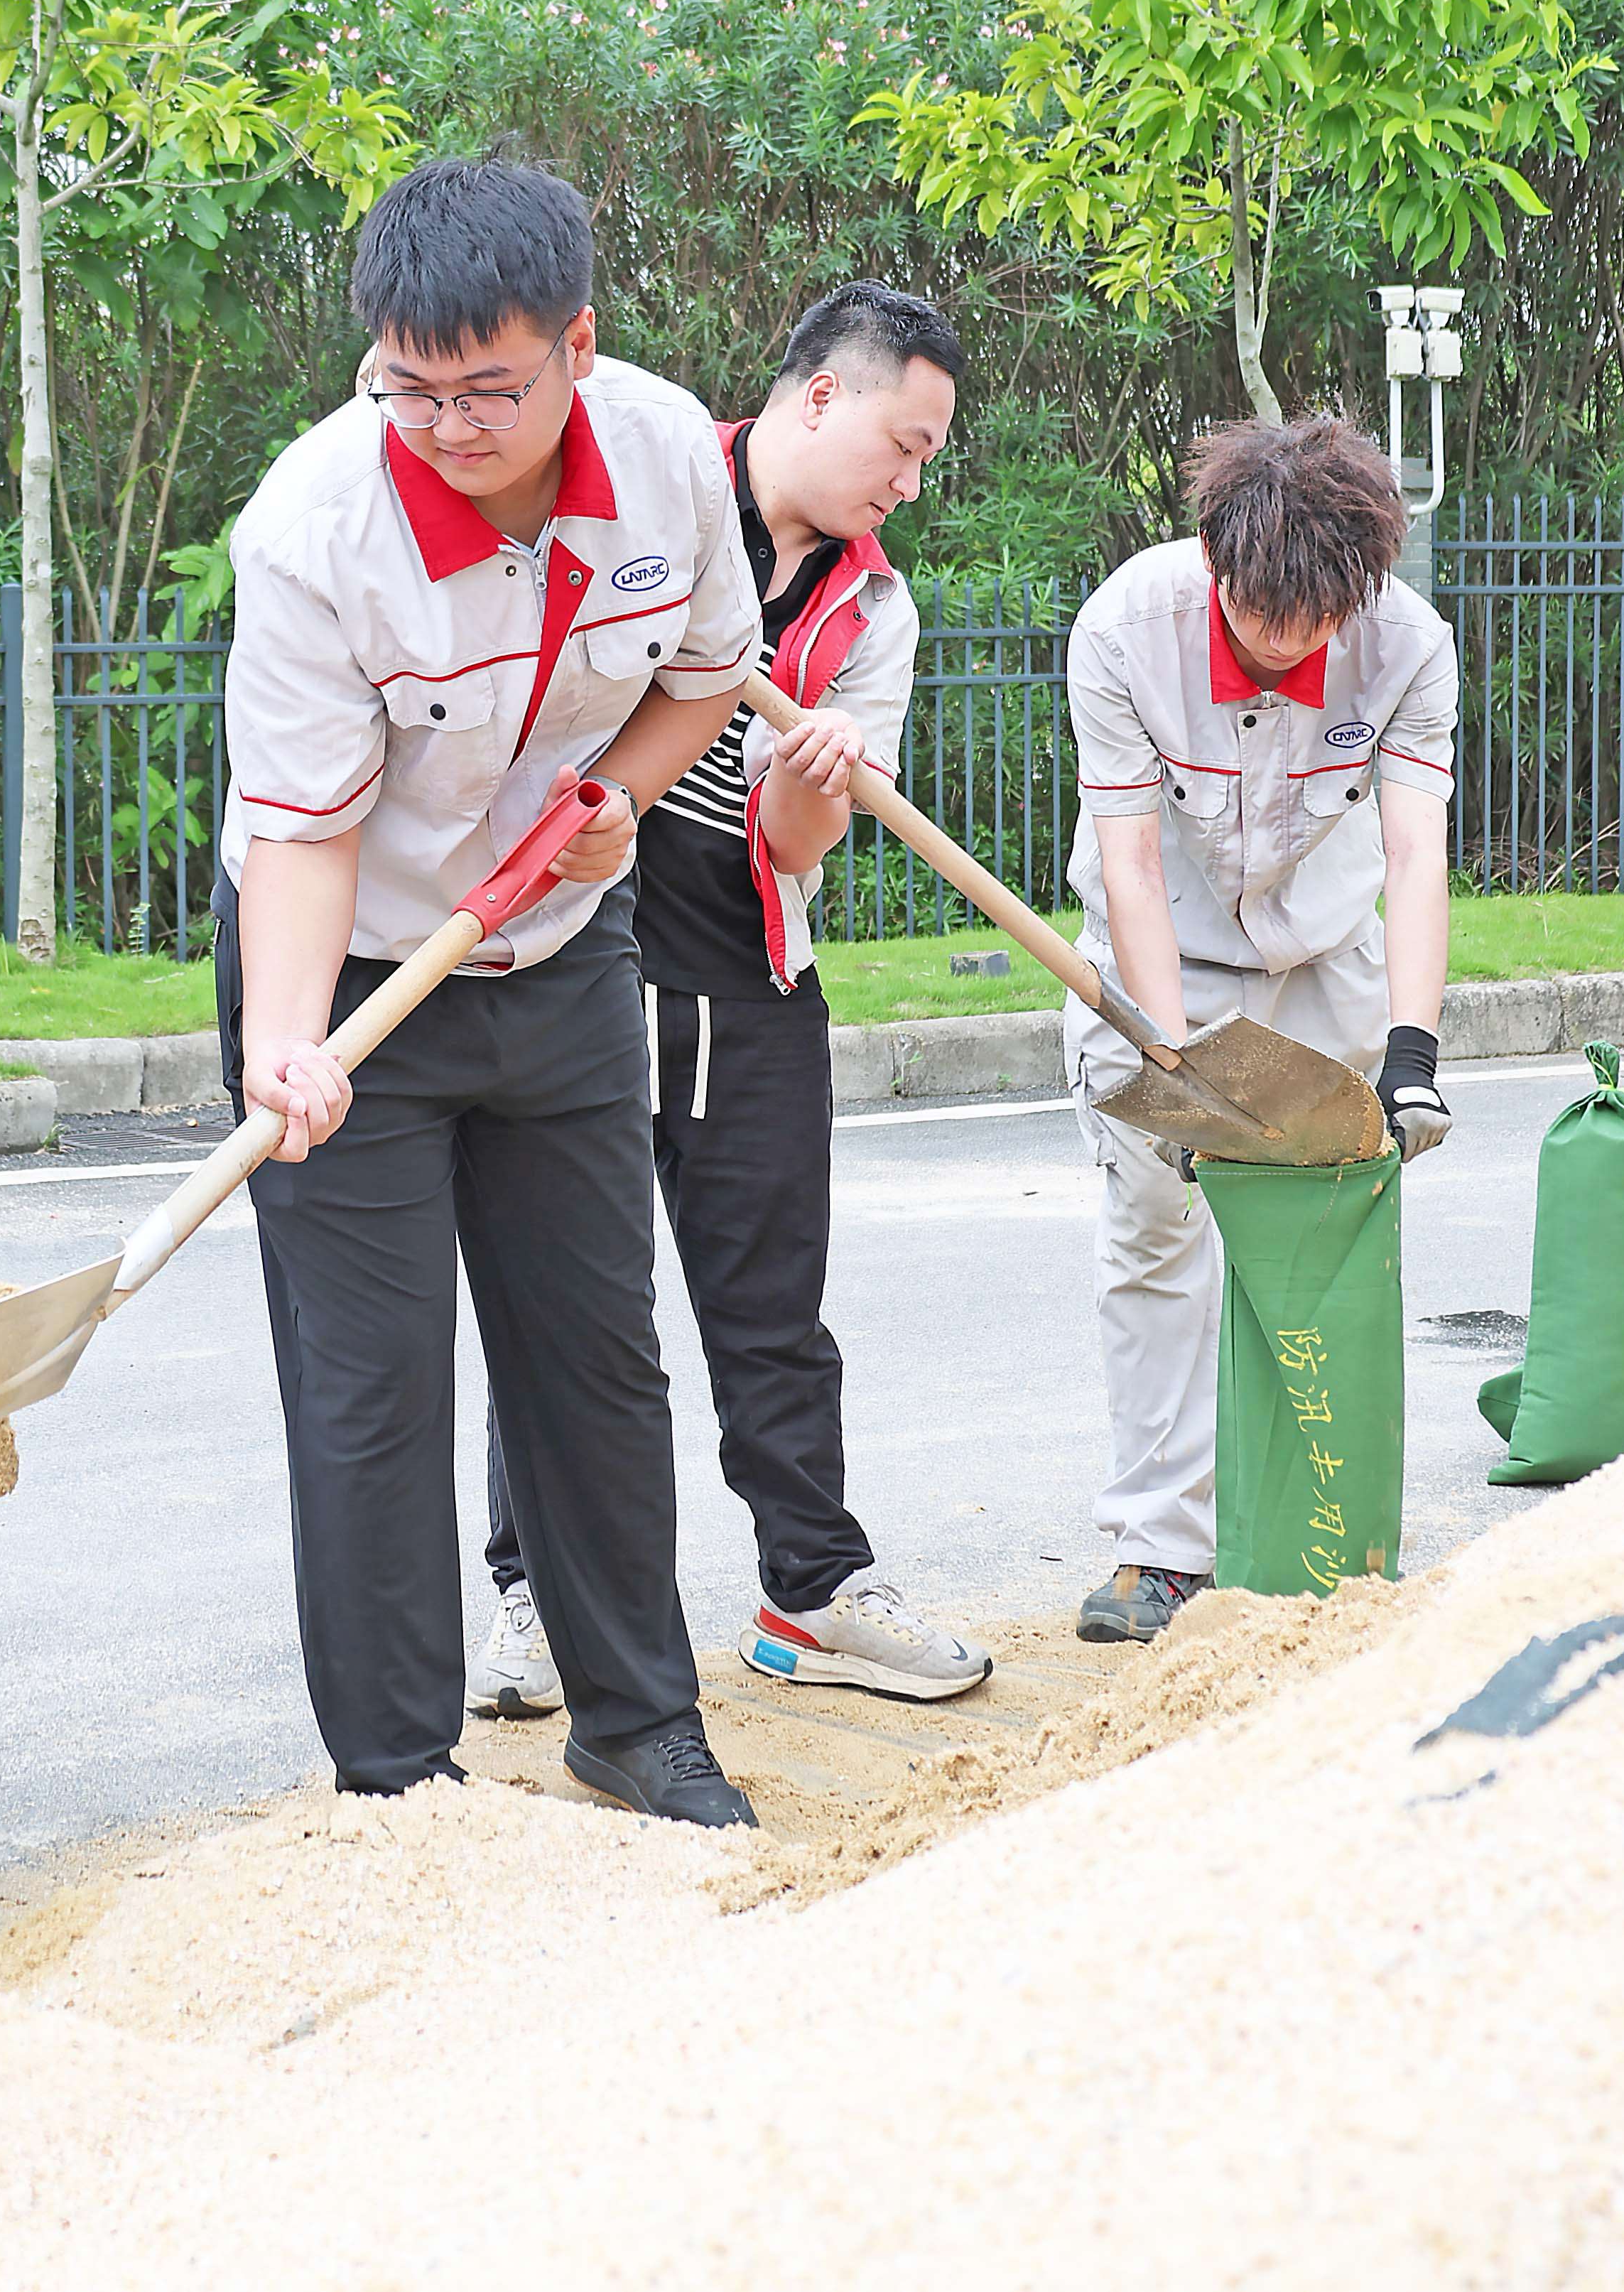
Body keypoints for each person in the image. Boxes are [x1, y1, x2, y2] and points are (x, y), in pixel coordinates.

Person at [219, 151, 768, 1827]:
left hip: (560, 949)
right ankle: (402, 1780)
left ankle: (638, 1718)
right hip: (354, 967)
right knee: (371, 1386)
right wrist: (292, 1050)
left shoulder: (670, 456)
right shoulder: (318, 526)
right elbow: (305, 836)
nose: (445, 424)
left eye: (487, 390)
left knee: (593, 1352)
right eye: (410, 387)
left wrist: (618, 802)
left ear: (579, 343)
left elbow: (708, 671)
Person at [468, 281, 995, 1717]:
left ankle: (812, 1585)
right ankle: (536, 1599)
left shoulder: (873, 604)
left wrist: (815, 786)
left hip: (747, 959)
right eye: (905, 438)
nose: (909, 477)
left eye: (930, 457)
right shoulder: (642, 486)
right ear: (818, 393)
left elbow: (797, 849)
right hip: (583, 933)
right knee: (569, 1296)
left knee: (770, 1300)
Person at [1060, 415, 1456, 1645]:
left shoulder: (1409, 646)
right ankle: (1159, 1551)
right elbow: (1129, 865)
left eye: (1313, 621)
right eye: (1256, 614)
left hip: (1325, 953)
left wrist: (1412, 1058)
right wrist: (1179, 1070)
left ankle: (1321, 1530)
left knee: (1327, 1242)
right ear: (1213, 559)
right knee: (1155, 1239)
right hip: (1160, 958)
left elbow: (1413, 851)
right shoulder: (1127, 631)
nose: (1284, 642)